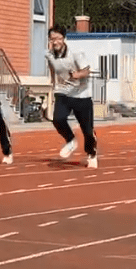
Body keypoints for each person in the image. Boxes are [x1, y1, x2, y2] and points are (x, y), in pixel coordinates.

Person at [45, 25, 97, 168]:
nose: (55, 42)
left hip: (82, 94)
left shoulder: (76, 53)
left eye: (58, 38)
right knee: (57, 119)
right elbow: (52, 69)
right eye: (52, 39)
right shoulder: (49, 54)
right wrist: (53, 85)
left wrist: (76, 75)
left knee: (87, 130)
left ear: (64, 39)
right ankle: (71, 140)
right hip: (63, 92)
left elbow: (86, 71)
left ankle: (91, 153)